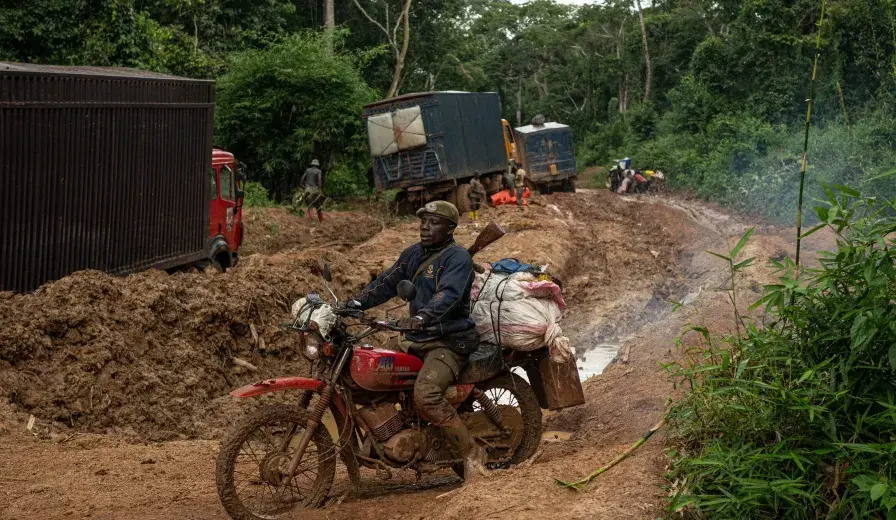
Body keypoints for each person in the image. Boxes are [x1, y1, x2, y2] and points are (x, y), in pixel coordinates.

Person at [348, 201, 488, 483]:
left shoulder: (458, 258)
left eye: (434, 222)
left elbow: (448, 296)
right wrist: (354, 303)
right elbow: (386, 283)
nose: (425, 227)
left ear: (450, 228)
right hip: (415, 339)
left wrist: (422, 317)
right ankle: (394, 431)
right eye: (423, 221)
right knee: (370, 372)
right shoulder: (413, 254)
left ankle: (472, 454)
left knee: (426, 394)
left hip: (447, 342)